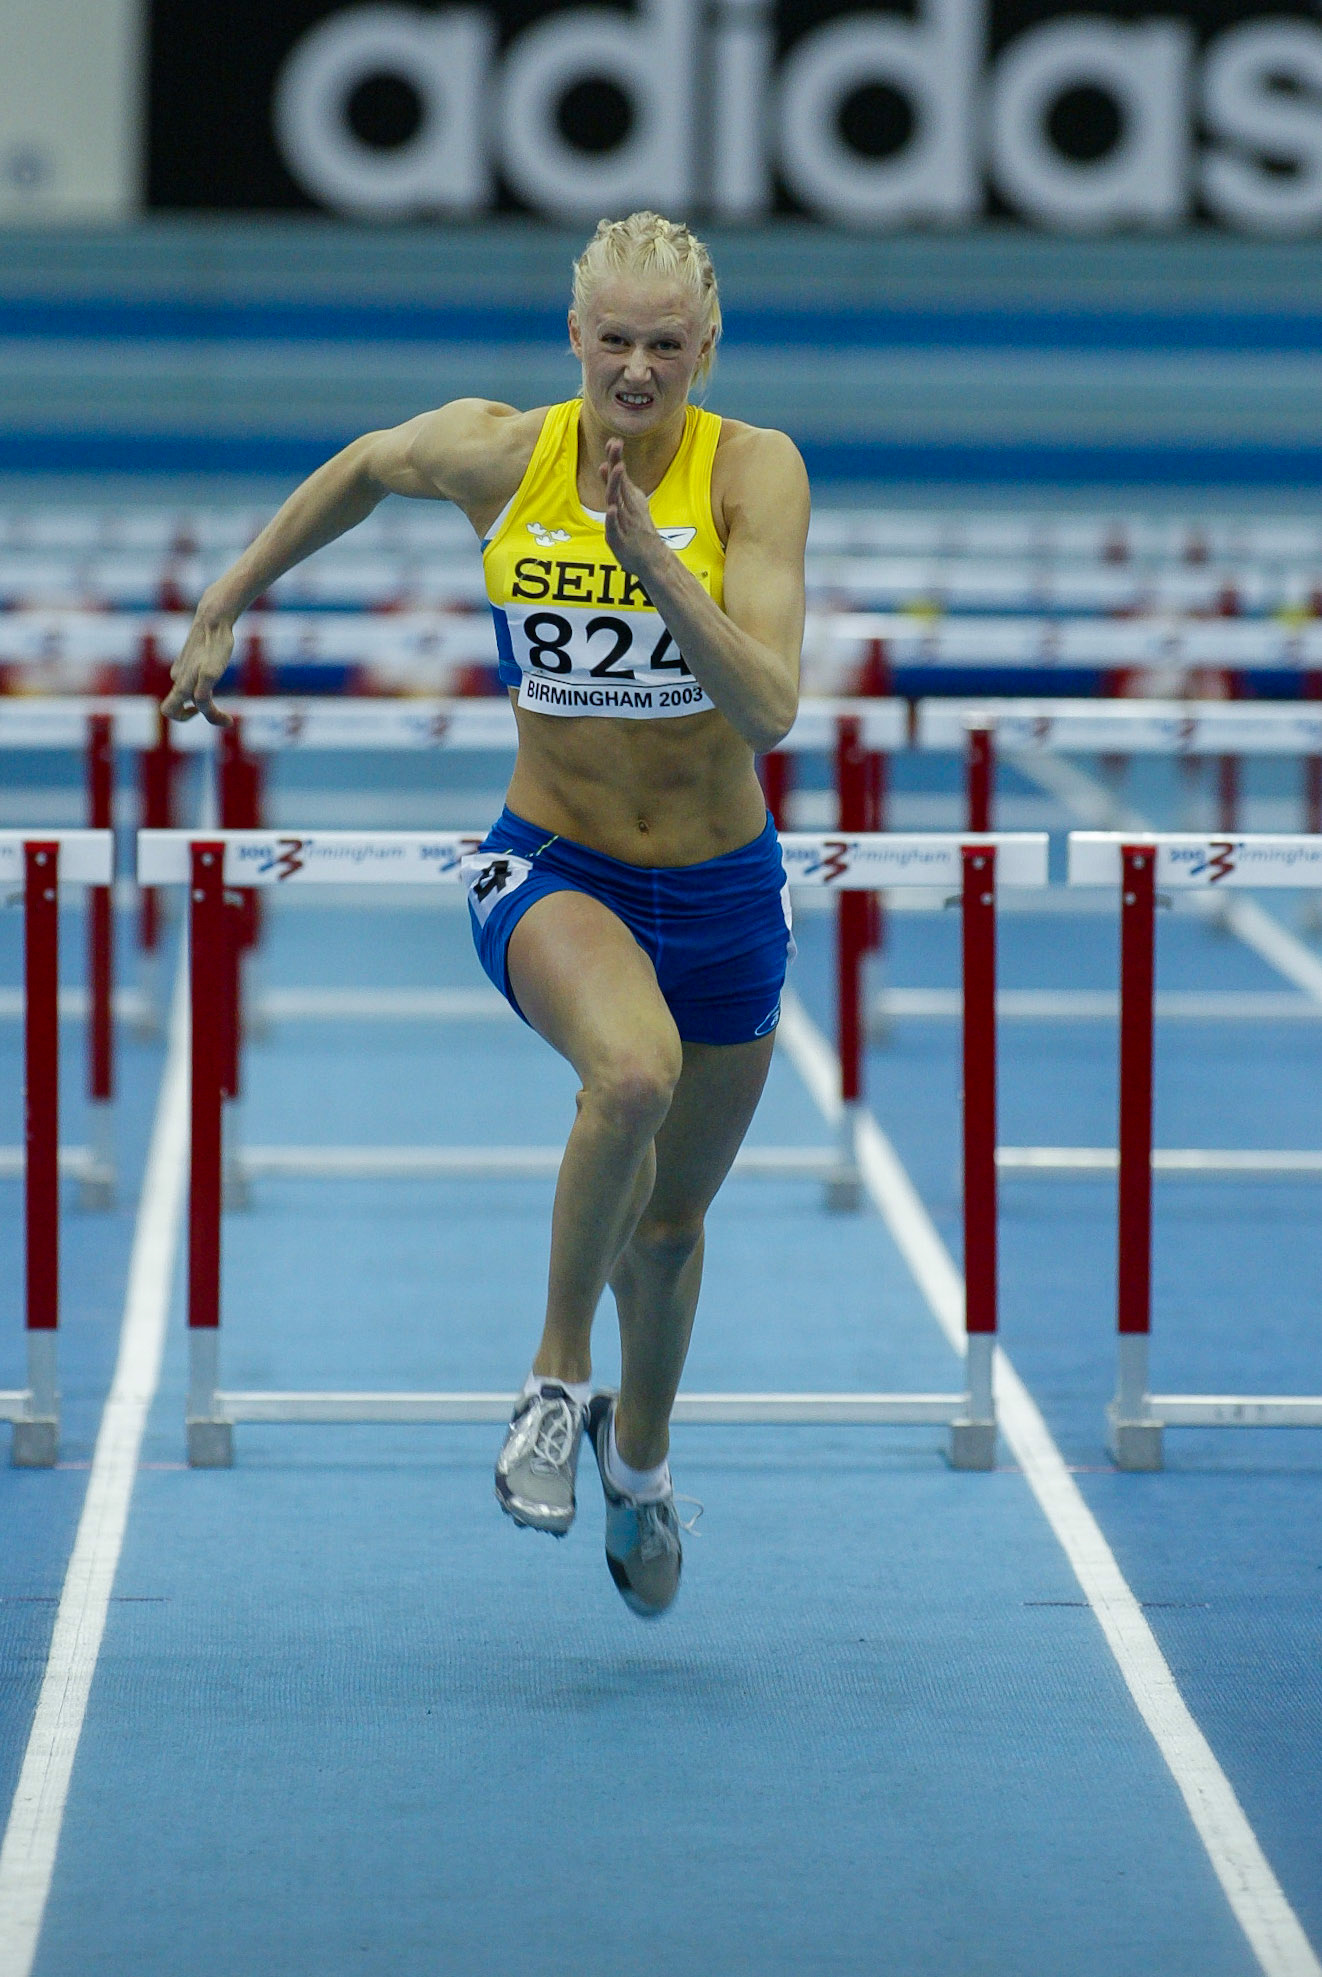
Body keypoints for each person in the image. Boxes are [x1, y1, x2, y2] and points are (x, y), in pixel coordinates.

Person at [163, 210, 809, 1619]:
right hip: (554, 865)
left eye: (666, 346)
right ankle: (551, 1387)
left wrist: (657, 566)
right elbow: (363, 465)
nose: (636, 370)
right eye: (614, 340)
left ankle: (638, 1467)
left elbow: (769, 706)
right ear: (574, 336)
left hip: (721, 888)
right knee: (628, 1076)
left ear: (706, 347)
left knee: (670, 1232)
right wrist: (227, 597)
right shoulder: (503, 455)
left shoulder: (752, 471)